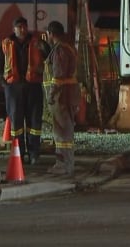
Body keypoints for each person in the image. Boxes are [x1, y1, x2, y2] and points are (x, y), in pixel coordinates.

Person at [0, 16, 49, 165]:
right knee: (16, 123)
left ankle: (34, 153)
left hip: (33, 86)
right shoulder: (5, 44)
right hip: (13, 88)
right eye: (19, 27)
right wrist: (2, 82)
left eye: (24, 27)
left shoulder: (37, 42)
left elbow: (48, 54)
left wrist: (44, 44)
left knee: (34, 122)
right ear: (14, 29)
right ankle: (19, 153)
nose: (22, 30)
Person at [43, 20, 79, 176]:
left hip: (61, 97)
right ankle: (67, 164)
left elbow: (58, 76)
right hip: (68, 95)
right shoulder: (68, 47)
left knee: (62, 131)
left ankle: (63, 165)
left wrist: (51, 94)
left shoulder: (59, 51)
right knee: (66, 130)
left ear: (51, 34)